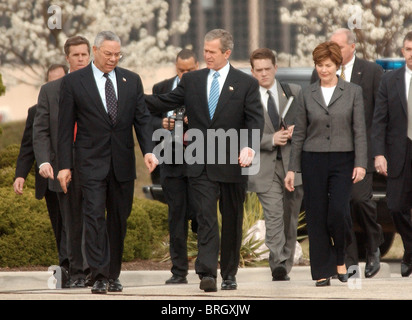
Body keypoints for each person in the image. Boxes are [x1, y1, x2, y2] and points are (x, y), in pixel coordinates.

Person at [145, 29, 264, 292]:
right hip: (199, 163)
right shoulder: (193, 81)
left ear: (226, 53)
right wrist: (131, 96)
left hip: (233, 164)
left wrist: (250, 148)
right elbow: (164, 101)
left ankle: (230, 273)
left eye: (212, 51)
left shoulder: (246, 83)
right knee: (206, 217)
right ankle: (207, 272)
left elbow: (255, 119)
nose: (206, 55)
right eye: (205, 50)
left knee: (231, 219)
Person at [57, 31, 157, 294]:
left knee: (118, 220)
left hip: (122, 163)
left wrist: (148, 150)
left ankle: (113, 274)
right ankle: (99, 275)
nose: (113, 59)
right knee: (93, 217)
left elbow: (142, 118)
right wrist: (65, 165)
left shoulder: (131, 81)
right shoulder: (75, 82)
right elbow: (65, 127)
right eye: (108, 54)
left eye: (117, 54)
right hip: (89, 163)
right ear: (95, 50)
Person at [285, 41, 367, 286]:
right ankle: (322, 269)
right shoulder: (306, 94)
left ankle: (340, 258)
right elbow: (299, 133)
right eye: (319, 65)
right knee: (316, 215)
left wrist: (361, 163)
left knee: (338, 213)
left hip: (344, 159)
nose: (323, 70)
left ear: (337, 65)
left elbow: (359, 131)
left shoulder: (353, 92)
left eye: (328, 65)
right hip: (313, 159)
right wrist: (292, 168)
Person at [311, 28, 384, 278]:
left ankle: (374, 244)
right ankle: (350, 263)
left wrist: (377, 152)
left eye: (339, 46)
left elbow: (378, 115)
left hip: (362, 151)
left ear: (352, 47)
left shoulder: (372, 71)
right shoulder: (320, 72)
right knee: (340, 208)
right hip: (333, 153)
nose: (334, 49)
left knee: (360, 200)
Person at [33, 36, 91, 288]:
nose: (80, 59)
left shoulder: (99, 86)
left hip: (93, 165)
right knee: (70, 223)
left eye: (84, 54)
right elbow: (41, 130)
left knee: (94, 219)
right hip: (61, 167)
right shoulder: (50, 90)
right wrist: (45, 160)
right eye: (75, 55)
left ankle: (93, 270)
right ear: (67, 58)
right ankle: (76, 272)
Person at [248, 48, 304, 280]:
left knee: (290, 218)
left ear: (275, 68)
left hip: (293, 165)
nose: (263, 74)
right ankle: (279, 263)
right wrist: (271, 139)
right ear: (252, 71)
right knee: (273, 214)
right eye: (258, 70)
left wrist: (296, 131)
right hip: (264, 165)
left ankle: (284, 263)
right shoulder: (247, 98)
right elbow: (240, 134)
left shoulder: (294, 92)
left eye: (267, 69)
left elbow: (312, 124)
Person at [13, 64, 68, 280]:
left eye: (59, 80)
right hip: (47, 179)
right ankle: (66, 267)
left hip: (70, 176)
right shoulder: (35, 111)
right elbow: (28, 145)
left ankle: (73, 266)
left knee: (71, 225)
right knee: (58, 225)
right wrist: (20, 174)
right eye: (50, 81)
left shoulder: (76, 106)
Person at [150, 48, 199, 284]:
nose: (186, 74)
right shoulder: (161, 89)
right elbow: (146, 117)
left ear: (197, 67)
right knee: (176, 217)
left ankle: (205, 268)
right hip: (170, 163)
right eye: (181, 70)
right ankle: (179, 271)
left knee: (201, 216)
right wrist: (161, 123)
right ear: (175, 67)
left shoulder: (204, 87)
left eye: (190, 70)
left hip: (199, 161)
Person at [372, 31, 412, 278]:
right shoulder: (389, 81)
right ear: (402, 52)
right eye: (408, 49)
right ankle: (410, 249)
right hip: (399, 153)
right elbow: (379, 121)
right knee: (396, 206)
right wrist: (378, 154)